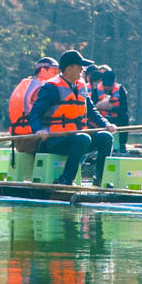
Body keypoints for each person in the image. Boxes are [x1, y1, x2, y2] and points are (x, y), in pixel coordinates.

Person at [27, 49, 115, 186]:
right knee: (83, 138)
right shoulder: (50, 88)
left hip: (77, 138)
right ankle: (66, 180)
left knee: (105, 137)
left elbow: (91, 110)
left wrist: (105, 124)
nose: (82, 70)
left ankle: (100, 180)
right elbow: (34, 114)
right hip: (56, 140)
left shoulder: (80, 86)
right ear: (68, 69)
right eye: (79, 66)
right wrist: (38, 130)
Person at [8, 57, 59, 135]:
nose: (56, 76)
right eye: (54, 72)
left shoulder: (25, 84)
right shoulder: (42, 87)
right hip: (35, 133)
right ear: (42, 71)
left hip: (18, 131)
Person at [93, 68, 131, 152]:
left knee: (125, 117)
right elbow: (92, 107)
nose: (107, 87)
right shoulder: (96, 90)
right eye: (105, 85)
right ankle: (96, 144)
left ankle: (122, 144)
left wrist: (112, 108)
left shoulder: (120, 89)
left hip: (116, 118)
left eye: (109, 85)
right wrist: (98, 106)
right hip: (102, 119)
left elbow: (124, 108)